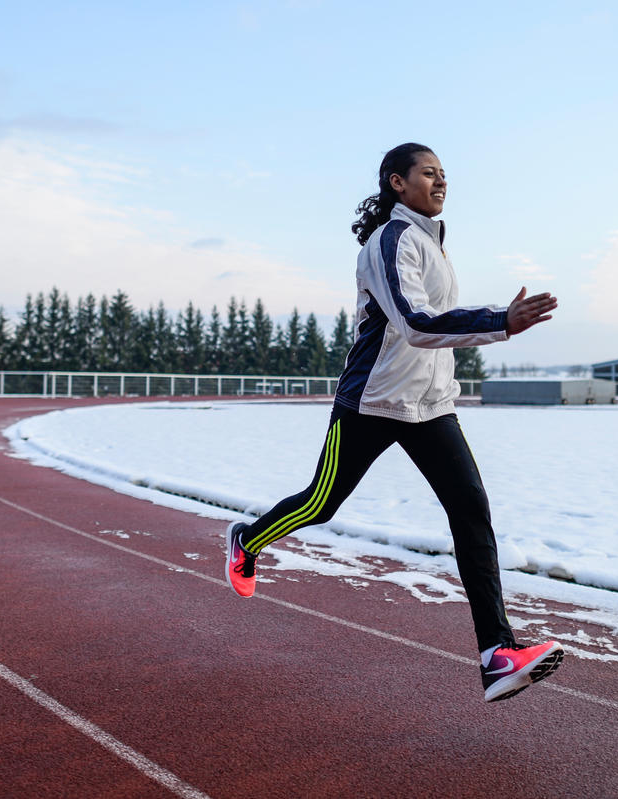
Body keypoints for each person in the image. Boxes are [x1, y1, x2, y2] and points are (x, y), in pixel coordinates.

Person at [225, 143, 564, 702]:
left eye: (445, 174)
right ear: (396, 183)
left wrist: (491, 328)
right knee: (321, 504)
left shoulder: (434, 244)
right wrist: (500, 320)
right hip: (372, 403)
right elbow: (415, 323)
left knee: (472, 511)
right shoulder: (390, 240)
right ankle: (248, 540)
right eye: (428, 173)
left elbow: (433, 331)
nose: (441, 181)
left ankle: (497, 655)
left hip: (430, 406)